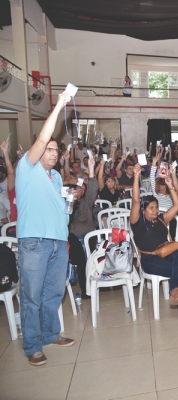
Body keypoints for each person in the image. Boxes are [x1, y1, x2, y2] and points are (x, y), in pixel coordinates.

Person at [17, 92, 75, 367]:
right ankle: (32, 344)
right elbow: (42, 137)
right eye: (48, 149)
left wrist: (69, 203)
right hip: (35, 242)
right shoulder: (26, 168)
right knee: (31, 296)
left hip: (57, 242)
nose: (52, 153)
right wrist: (61, 104)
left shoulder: (55, 177)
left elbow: (59, 210)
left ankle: (50, 334)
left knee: (53, 293)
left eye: (55, 150)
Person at [130, 163, 178, 327]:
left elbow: (177, 206)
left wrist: (170, 186)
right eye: (151, 208)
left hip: (167, 253)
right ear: (143, 210)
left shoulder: (161, 219)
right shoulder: (137, 222)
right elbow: (136, 200)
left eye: (156, 207)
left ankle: (175, 291)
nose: (155, 210)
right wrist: (137, 175)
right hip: (149, 259)